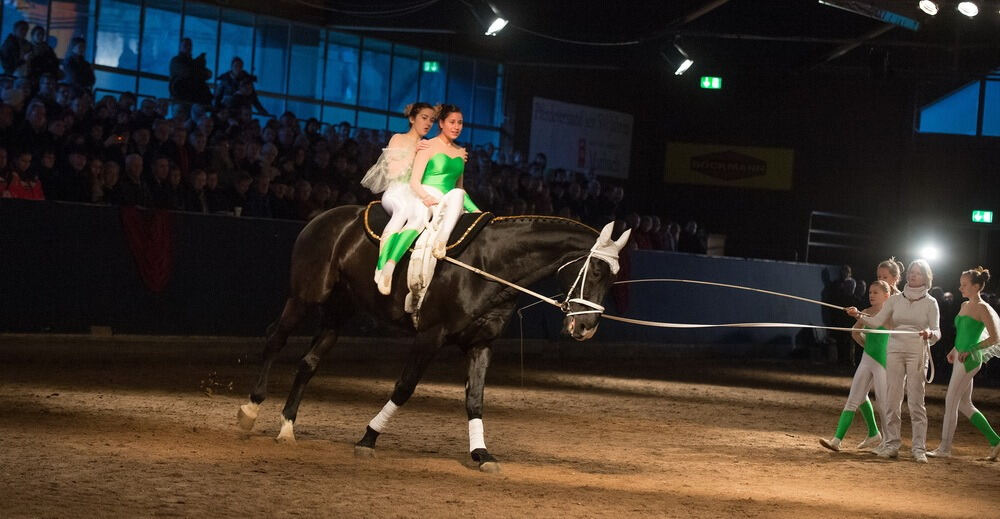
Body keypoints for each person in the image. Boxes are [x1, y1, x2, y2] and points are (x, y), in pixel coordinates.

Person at [846, 259, 940, 463]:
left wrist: (930, 333)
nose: (913, 275)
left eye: (918, 273)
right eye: (912, 272)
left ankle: (918, 448)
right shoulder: (895, 301)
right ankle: (891, 444)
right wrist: (858, 315)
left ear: (926, 277)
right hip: (895, 350)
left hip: (917, 351)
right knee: (891, 400)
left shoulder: (931, 302)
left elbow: (937, 332)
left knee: (916, 402)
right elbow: (877, 322)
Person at [359, 101, 435, 294]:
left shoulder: (428, 145)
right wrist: (414, 153)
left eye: (432, 120)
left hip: (415, 195)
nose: (428, 123)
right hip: (395, 191)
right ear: (412, 118)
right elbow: (392, 172)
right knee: (401, 212)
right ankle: (382, 264)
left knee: (422, 218)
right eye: (424, 118)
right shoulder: (398, 138)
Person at [927, 267, 1000, 460]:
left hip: (970, 360)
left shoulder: (983, 308)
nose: (960, 288)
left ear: (977, 286)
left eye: (964, 285)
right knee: (965, 404)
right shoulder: (964, 305)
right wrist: (954, 350)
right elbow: (962, 334)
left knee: (951, 401)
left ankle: (945, 448)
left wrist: (971, 350)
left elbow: (995, 338)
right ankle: (996, 441)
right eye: (960, 284)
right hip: (961, 356)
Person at [820, 280, 891, 452]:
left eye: (876, 292)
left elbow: (876, 323)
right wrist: (864, 343)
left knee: (883, 403)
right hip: (867, 359)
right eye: (870, 292)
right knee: (853, 399)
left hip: (884, 363)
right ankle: (837, 440)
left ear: (887, 296)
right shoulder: (866, 312)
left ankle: (887, 441)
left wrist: (859, 315)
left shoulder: (890, 314)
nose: (871, 295)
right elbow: (854, 331)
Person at [407, 105, 478, 258]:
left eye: (460, 123)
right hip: (428, 200)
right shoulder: (428, 145)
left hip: (452, 203)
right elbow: (414, 181)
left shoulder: (461, 152)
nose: (457, 127)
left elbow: (459, 189)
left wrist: (477, 212)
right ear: (441, 123)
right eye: (452, 122)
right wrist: (426, 197)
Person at [168, 38, 212, 106]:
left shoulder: (191, 62)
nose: (188, 47)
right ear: (180, 47)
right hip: (181, 97)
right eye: (185, 45)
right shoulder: (176, 61)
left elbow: (207, 74)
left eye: (190, 45)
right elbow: (187, 73)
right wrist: (201, 70)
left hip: (190, 97)